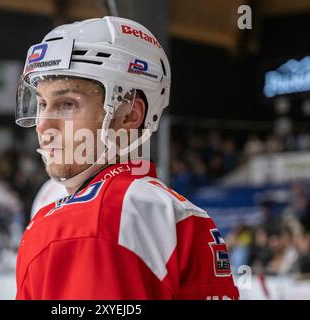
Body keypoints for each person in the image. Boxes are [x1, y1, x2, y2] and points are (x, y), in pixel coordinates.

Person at [15, 16, 239, 300]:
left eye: (67, 104)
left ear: (131, 114)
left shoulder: (84, 223)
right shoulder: (187, 215)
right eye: (42, 104)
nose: (42, 125)